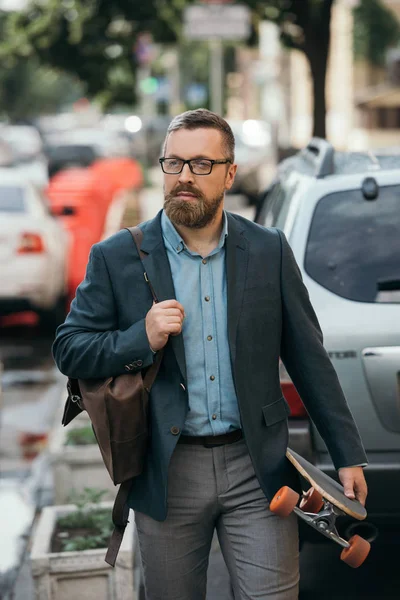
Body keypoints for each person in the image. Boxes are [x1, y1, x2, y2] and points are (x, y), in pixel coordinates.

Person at [52, 109, 368, 599]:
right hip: (166, 472)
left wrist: (347, 455)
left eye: (201, 164)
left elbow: (309, 357)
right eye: (173, 163)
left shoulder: (268, 250)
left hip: (258, 470)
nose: (184, 177)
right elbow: (70, 349)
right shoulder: (116, 256)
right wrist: (142, 337)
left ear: (230, 173)